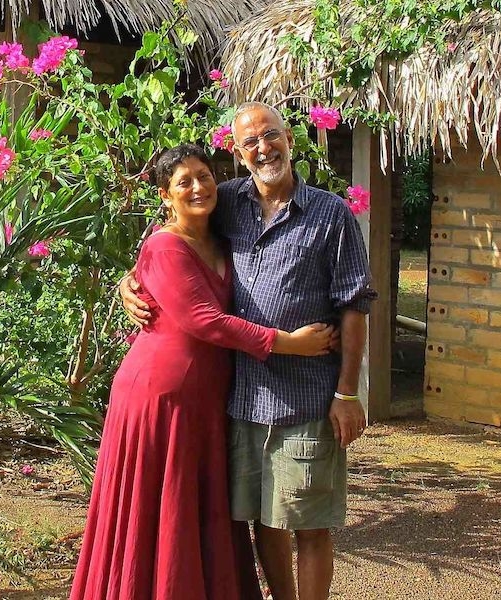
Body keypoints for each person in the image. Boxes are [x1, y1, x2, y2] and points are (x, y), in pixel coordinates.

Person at [120, 102, 375, 600]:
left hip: (305, 396)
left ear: (290, 140)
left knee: (309, 521)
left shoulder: (331, 214)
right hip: (242, 399)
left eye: (271, 135)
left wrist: (347, 393)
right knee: (265, 523)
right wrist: (130, 284)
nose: (264, 148)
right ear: (237, 154)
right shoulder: (228, 202)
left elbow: (354, 306)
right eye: (251, 142)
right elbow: (173, 246)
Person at [70, 143, 339, 600]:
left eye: (204, 175)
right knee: (161, 503)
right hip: (161, 396)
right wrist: (289, 344)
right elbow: (204, 320)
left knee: (198, 506)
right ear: (164, 195)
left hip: (210, 397)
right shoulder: (163, 244)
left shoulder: (224, 232)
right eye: (183, 182)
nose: (198, 187)